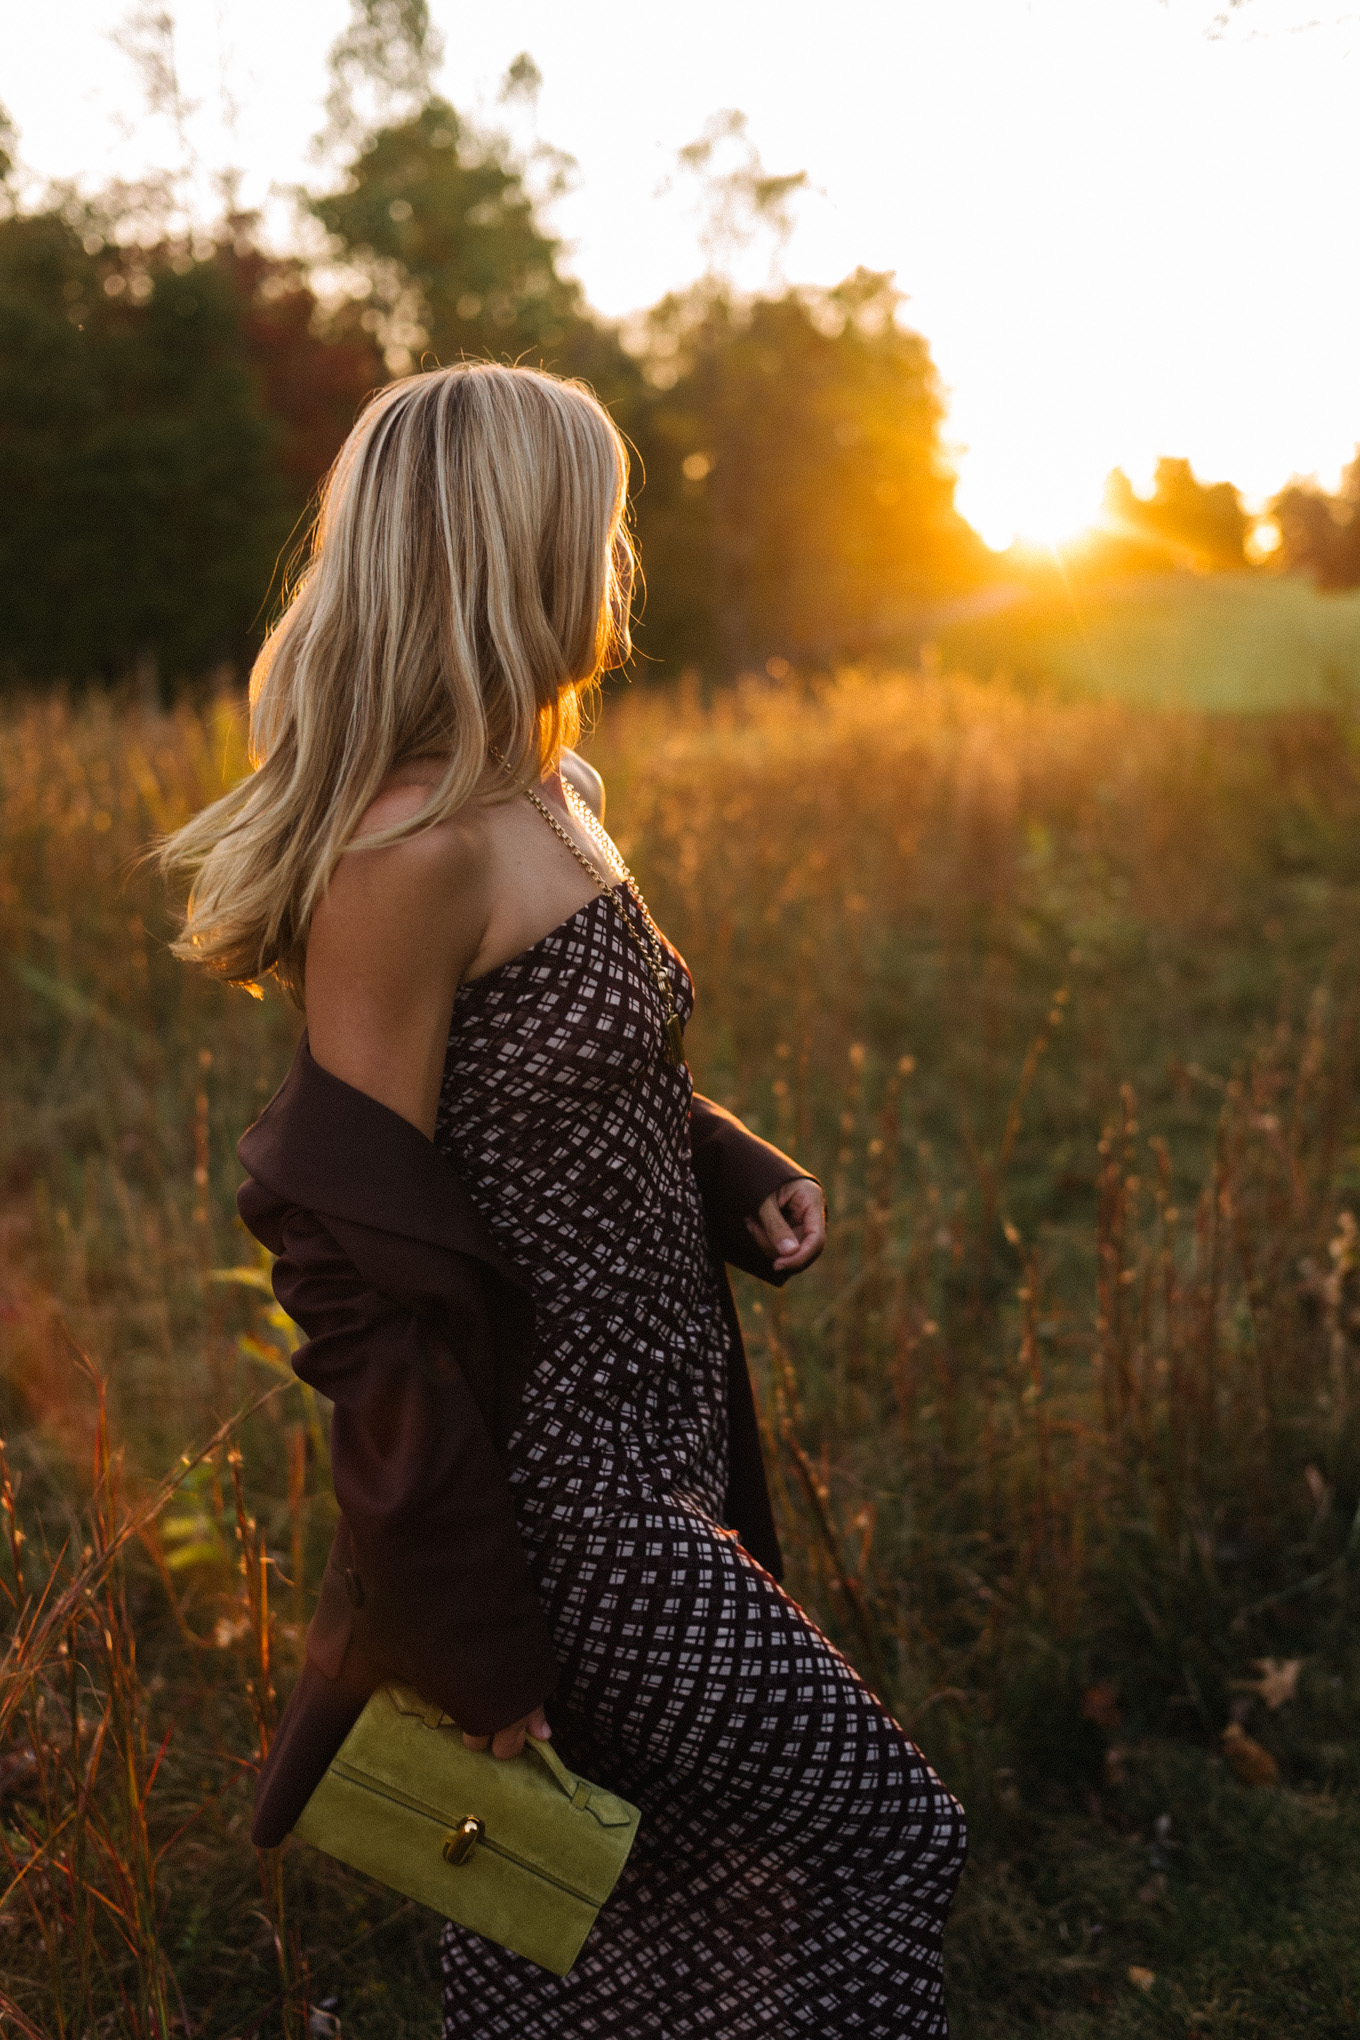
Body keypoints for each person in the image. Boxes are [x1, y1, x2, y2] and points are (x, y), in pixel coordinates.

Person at [162, 362, 966, 2037]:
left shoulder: (553, 795)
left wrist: (733, 1170)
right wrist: (466, 1632)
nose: (616, 570)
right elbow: (346, 1254)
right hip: (569, 1507)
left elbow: (574, 1076)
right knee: (892, 1840)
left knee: (626, 1922)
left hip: (667, 1431)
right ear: (508, 547)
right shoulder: (406, 856)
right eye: (598, 530)